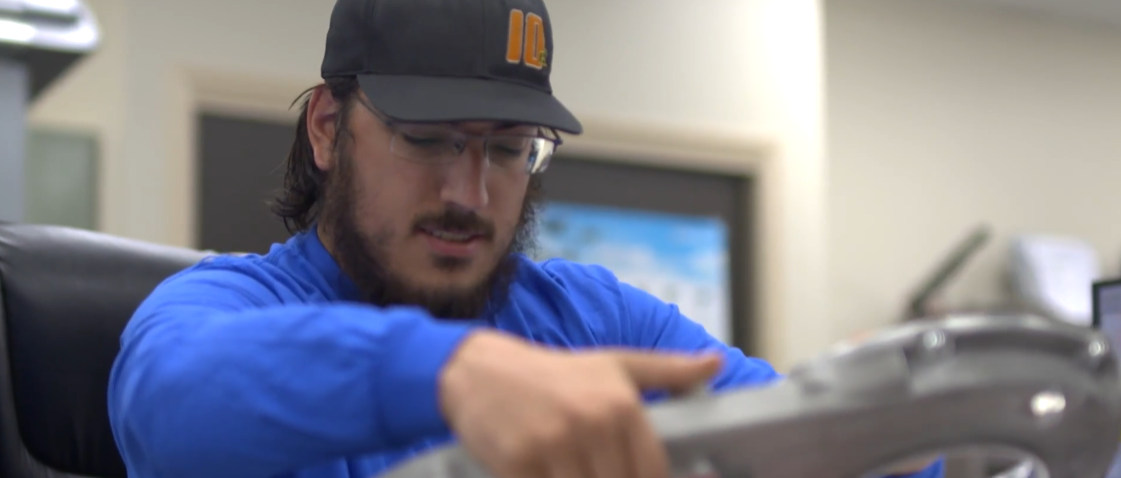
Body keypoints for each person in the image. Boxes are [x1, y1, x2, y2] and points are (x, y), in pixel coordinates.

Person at [107, 0, 944, 477]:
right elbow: (171, 399)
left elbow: (804, 438)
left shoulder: (595, 321)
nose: (469, 195)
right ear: (328, 129)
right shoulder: (230, 306)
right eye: (427, 140)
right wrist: (451, 373)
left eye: (508, 150)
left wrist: (910, 427)